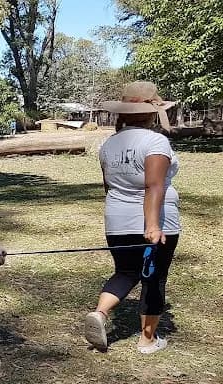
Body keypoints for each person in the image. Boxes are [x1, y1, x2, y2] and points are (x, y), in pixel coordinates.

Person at [84, 81, 181, 354]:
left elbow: (108, 186)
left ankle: (100, 315)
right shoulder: (155, 141)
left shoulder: (109, 144)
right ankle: (148, 340)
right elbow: (154, 185)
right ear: (151, 113)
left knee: (126, 271)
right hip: (157, 223)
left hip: (116, 219)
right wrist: (152, 225)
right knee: (154, 277)